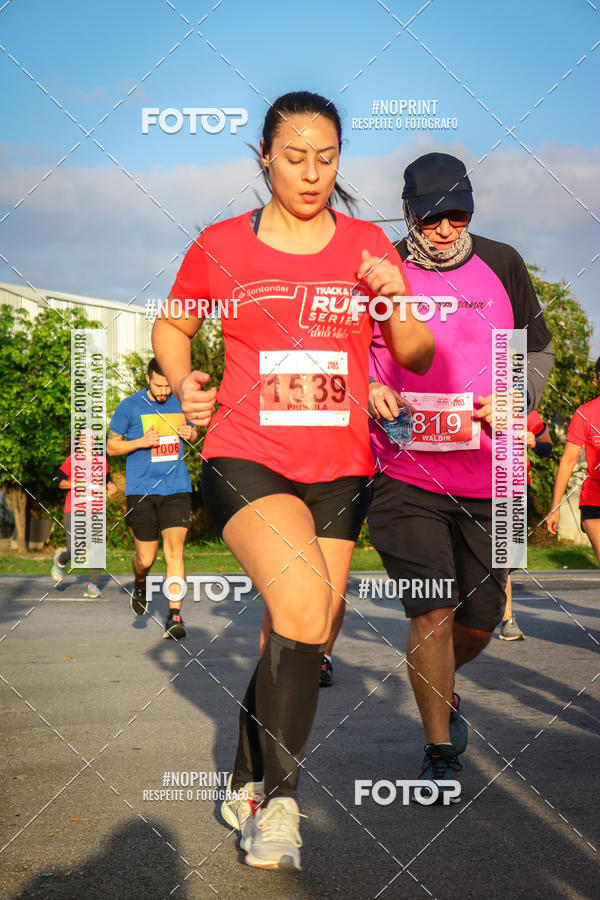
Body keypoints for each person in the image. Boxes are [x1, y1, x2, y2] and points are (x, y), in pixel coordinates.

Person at [152, 90, 435, 872]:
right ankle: (278, 806)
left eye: (327, 157)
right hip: (246, 455)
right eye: (295, 156)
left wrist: (398, 302)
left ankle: (243, 779)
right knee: (305, 607)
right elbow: (174, 323)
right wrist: (184, 383)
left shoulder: (366, 244)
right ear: (264, 158)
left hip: (341, 471)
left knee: (303, 633)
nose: (312, 173)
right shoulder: (220, 246)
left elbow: (411, 355)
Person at [367, 152, 553, 799]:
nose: (447, 228)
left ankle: (440, 687)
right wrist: (367, 387)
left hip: (489, 474)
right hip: (403, 470)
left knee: (477, 622)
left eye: (459, 214)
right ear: (411, 212)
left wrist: (519, 396)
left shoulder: (502, 263)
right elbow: (338, 346)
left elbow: (538, 347)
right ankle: (438, 748)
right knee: (435, 612)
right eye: (434, 216)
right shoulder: (380, 268)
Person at [107, 358, 197, 638]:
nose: (164, 391)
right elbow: (111, 447)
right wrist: (140, 442)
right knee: (146, 558)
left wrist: (190, 433)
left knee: (175, 551)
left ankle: (174, 617)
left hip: (176, 488)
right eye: (159, 385)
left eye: (168, 386)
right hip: (141, 490)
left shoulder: (181, 403)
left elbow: (194, 435)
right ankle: (140, 579)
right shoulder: (129, 406)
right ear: (148, 378)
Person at [500, 409, 552, 640]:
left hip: (517, 489)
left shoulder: (526, 410)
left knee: (508, 559)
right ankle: (506, 619)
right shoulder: (472, 400)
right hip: (479, 486)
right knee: (494, 556)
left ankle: (504, 618)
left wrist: (534, 443)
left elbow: (547, 447)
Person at [546, 356, 600, 564]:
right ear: (597, 380)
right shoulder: (585, 414)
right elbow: (568, 462)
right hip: (594, 501)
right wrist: (555, 507)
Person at [51, 427, 116, 597]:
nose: (91, 441)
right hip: (74, 510)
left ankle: (92, 585)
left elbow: (107, 479)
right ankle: (61, 559)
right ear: (79, 442)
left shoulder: (101, 461)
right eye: (86, 438)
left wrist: (111, 486)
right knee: (76, 549)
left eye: (93, 438)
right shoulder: (72, 460)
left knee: (98, 547)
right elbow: (55, 480)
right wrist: (75, 484)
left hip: (96, 510)